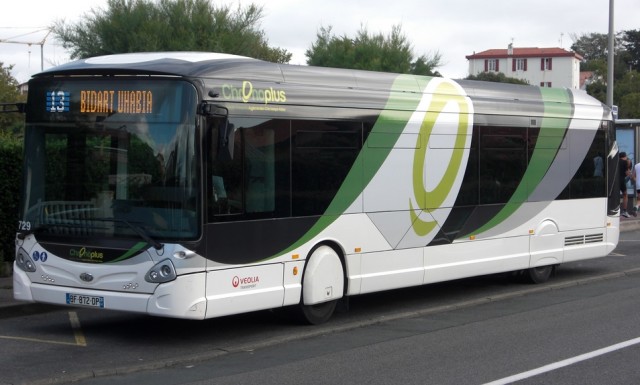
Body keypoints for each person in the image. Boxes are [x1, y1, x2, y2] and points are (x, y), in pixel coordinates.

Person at [619, 152, 634, 218]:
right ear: (625, 156)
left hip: (614, 181)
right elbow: (628, 173)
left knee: (614, 195)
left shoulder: (615, 161)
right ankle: (624, 211)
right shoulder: (627, 162)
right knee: (625, 194)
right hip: (621, 180)